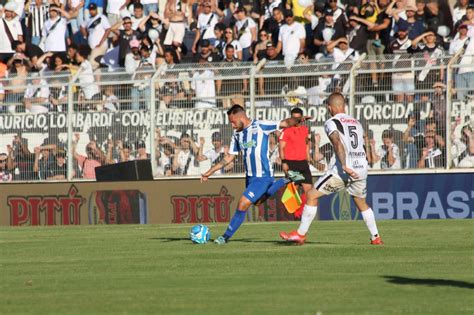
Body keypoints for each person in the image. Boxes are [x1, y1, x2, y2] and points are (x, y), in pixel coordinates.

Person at [280, 92, 383, 245]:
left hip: (343, 170)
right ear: (344, 105)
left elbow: (337, 143)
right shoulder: (356, 122)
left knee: (311, 196)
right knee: (362, 203)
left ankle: (300, 234)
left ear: (330, 107)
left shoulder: (331, 122)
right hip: (361, 169)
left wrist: (344, 165)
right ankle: (376, 237)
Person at [201, 104, 309, 244]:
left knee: (242, 204)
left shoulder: (260, 125)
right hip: (251, 177)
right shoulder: (237, 135)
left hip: (263, 176)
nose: (232, 125)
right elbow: (229, 157)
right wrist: (210, 172)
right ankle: (286, 180)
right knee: (257, 202)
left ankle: (225, 237)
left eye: (233, 122)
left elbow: (285, 123)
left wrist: (299, 120)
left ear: (241, 116)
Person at [279, 107, 313, 218]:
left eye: (299, 118)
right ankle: (295, 214)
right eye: (294, 118)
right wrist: (284, 162)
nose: (296, 120)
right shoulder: (286, 130)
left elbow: (306, 144)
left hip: (303, 163)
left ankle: (304, 214)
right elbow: (281, 147)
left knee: (309, 191)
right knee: (293, 190)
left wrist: (308, 157)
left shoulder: (305, 129)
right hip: (291, 163)